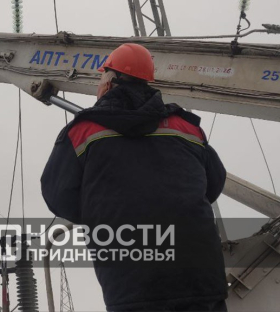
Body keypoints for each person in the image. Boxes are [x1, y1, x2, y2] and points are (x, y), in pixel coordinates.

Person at [41, 43, 228, 311]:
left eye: (100, 79)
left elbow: (58, 196)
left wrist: (103, 212)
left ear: (109, 83)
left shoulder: (82, 132)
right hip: (201, 281)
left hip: (131, 284)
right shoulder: (186, 127)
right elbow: (214, 182)